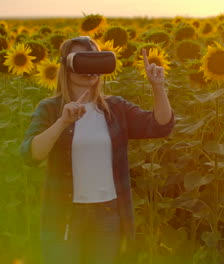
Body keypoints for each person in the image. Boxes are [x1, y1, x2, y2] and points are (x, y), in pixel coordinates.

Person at [20, 36, 175, 264]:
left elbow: (160, 125)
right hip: (66, 215)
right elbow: (31, 154)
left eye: (96, 60)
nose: (91, 69)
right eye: (84, 61)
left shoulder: (115, 109)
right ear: (67, 66)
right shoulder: (51, 109)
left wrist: (158, 87)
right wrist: (62, 122)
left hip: (108, 214)